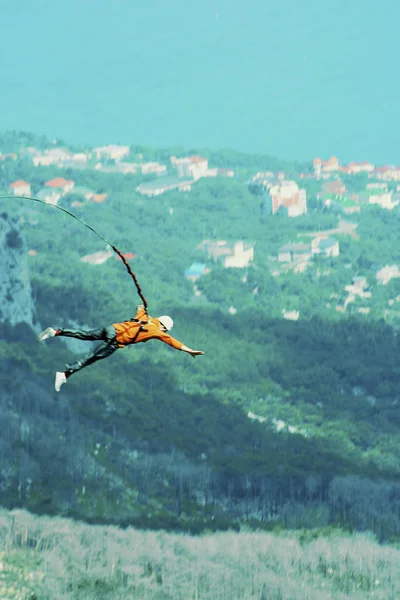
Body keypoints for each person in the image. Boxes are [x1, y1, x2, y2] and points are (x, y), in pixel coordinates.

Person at [38, 304, 204, 392]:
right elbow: (172, 342)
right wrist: (189, 350)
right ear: (164, 328)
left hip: (111, 328)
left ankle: (56, 332)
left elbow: (140, 308)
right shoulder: (156, 330)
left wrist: (142, 307)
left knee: (85, 334)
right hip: (116, 340)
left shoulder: (146, 318)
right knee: (91, 358)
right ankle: (64, 374)